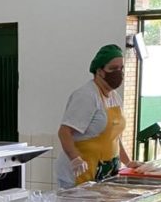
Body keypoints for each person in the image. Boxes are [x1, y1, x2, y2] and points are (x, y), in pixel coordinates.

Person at [56, 44, 140, 189]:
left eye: (121, 68)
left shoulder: (114, 96)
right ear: (100, 71)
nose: (118, 72)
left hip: (104, 172)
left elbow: (113, 137)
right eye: (113, 69)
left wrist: (128, 162)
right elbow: (64, 132)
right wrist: (75, 159)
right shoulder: (86, 96)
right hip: (80, 175)